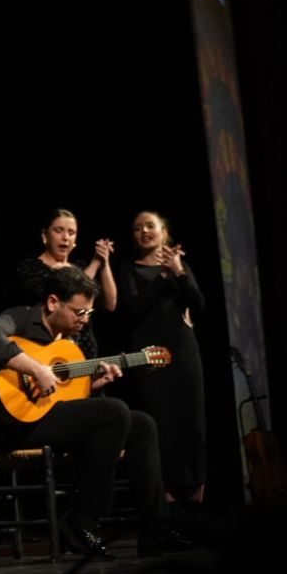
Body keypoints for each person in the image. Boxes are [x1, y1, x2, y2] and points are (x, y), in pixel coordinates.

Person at [0, 265, 190, 558]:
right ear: (52, 302)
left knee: (142, 424)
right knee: (114, 411)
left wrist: (94, 384)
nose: (84, 320)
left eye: (88, 314)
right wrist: (35, 369)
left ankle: (156, 529)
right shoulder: (21, 317)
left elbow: (67, 395)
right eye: (79, 312)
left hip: (51, 417)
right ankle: (82, 517)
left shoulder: (69, 343)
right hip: (15, 425)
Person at [118, 210, 207, 508]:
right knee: (161, 422)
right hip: (149, 355)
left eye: (150, 226)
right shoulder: (129, 270)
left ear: (164, 232)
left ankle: (196, 494)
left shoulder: (180, 267)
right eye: (137, 228)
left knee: (191, 420)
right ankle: (165, 497)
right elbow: (135, 307)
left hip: (184, 350)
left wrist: (178, 271)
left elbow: (198, 304)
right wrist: (163, 276)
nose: (144, 231)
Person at [14, 208, 116, 357]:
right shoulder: (31, 268)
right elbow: (70, 292)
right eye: (59, 230)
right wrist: (94, 264)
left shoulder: (81, 267)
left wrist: (104, 263)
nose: (65, 237)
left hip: (83, 354)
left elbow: (110, 304)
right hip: (48, 354)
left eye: (71, 233)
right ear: (45, 235)